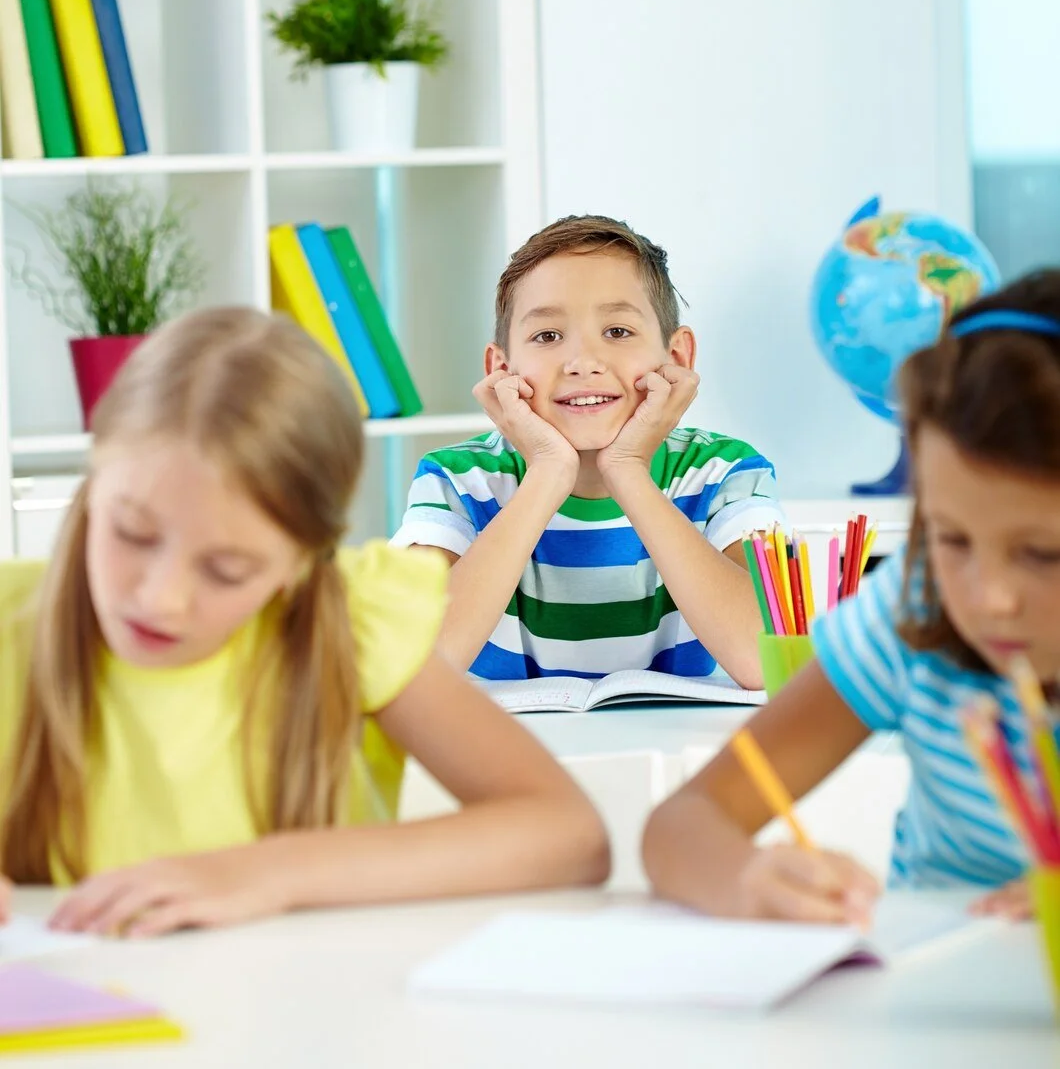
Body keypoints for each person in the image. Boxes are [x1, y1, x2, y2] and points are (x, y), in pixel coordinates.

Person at [0, 307, 608, 937]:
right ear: (95, 477)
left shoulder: (352, 629)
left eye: (227, 570)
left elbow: (569, 835)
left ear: (301, 563)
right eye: (131, 532)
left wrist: (267, 872)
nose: (160, 599)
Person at [643, 271, 1060, 924]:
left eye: (1044, 554)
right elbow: (681, 825)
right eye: (952, 539)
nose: (992, 599)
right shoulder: (914, 611)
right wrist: (747, 877)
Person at [391, 215, 784, 686]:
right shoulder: (455, 480)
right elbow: (411, 666)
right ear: (502, 367)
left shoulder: (725, 472)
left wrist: (629, 471)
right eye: (547, 336)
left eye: (617, 331)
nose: (583, 363)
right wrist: (548, 474)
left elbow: (764, 659)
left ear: (675, 358)